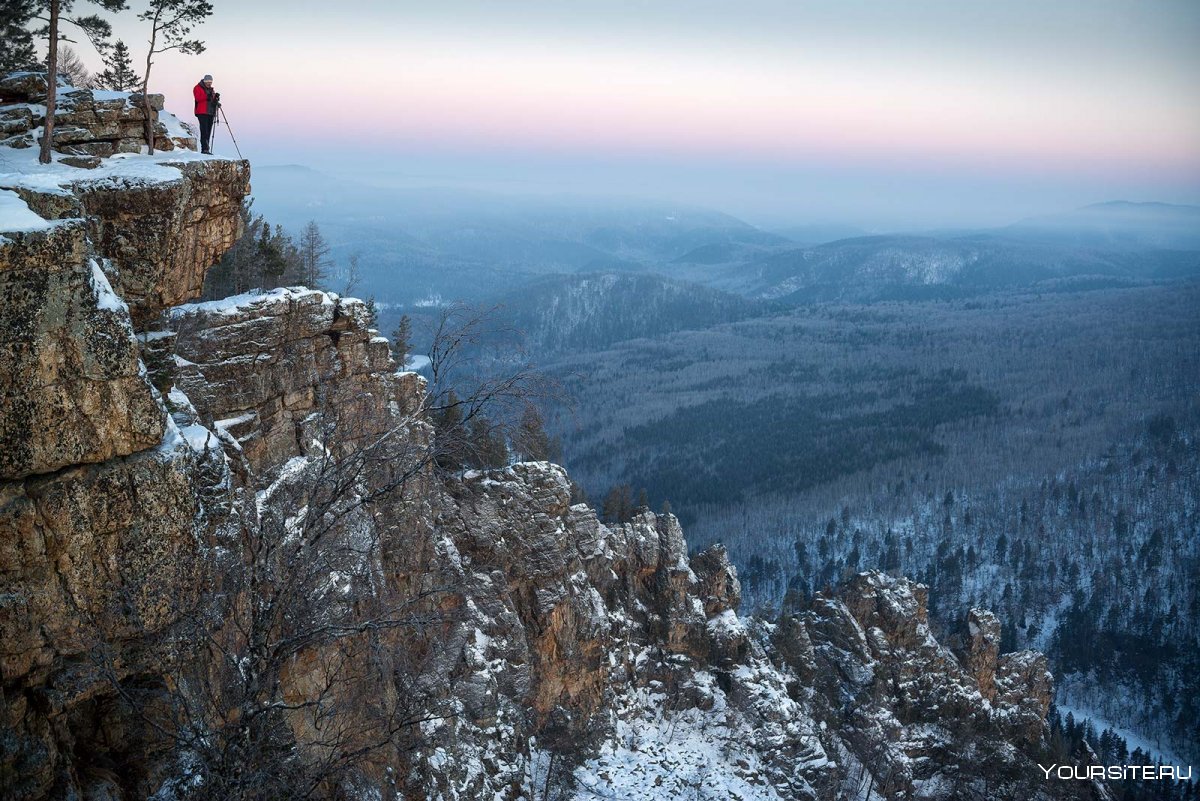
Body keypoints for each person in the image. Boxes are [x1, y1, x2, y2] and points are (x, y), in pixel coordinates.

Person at [193, 74, 220, 154]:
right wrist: (207, 96)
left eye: (210, 82)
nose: (209, 83)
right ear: (204, 81)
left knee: (208, 130)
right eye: (208, 82)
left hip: (210, 112)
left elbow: (211, 100)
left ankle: (206, 149)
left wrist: (216, 101)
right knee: (204, 130)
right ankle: (204, 149)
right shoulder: (197, 88)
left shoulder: (211, 90)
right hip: (202, 112)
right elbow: (198, 98)